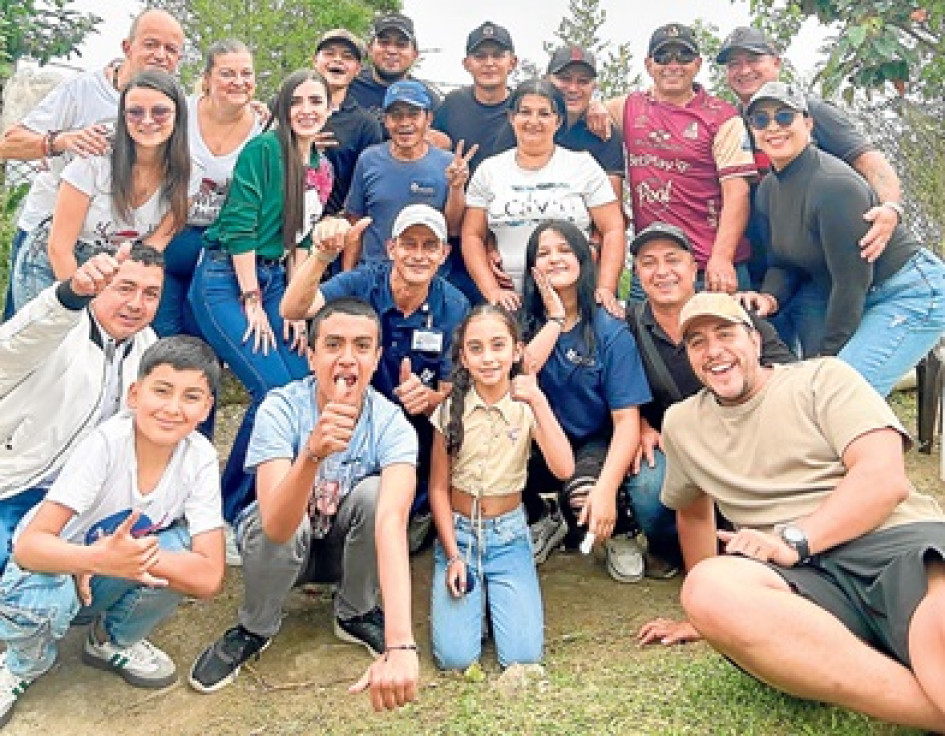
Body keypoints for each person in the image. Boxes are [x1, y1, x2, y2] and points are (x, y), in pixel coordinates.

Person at [639, 290, 945, 730]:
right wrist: (703, 619)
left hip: (891, 543)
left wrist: (797, 539)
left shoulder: (822, 378)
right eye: (697, 342)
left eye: (725, 334)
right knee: (709, 589)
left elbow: (883, 478)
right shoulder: (682, 423)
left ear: (755, 340)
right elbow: (692, 511)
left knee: (938, 619)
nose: (713, 351)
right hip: (798, 580)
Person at [189, 299, 420, 712]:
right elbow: (276, 526)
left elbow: (391, 523)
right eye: (333, 345)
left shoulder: (391, 424)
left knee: (375, 494)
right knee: (278, 515)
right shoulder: (280, 408)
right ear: (311, 356)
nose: (347, 358)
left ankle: (356, 611)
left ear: (376, 357)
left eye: (362, 346)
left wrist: (401, 644)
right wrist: (311, 454)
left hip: (339, 550)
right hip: (281, 546)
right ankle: (255, 626)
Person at [0, 335, 224, 729]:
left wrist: (125, 559)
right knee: (37, 598)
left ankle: (110, 640)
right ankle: (22, 663)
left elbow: (209, 576)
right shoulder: (105, 445)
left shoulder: (200, 456)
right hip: (54, 572)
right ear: (135, 394)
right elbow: (29, 548)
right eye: (162, 390)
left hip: (107, 572)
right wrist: (94, 558)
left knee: (182, 548)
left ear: (206, 408)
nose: (173, 408)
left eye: (191, 397)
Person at [188, 69, 338, 522]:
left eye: (316, 101)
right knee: (273, 391)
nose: (307, 110)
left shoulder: (322, 167)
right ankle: (230, 508)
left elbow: (301, 240)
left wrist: (294, 308)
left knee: (305, 387)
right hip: (226, 277)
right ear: (282, 108)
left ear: (330, 106)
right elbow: (240, 226)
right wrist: (251, 300)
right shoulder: (263, 151)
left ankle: (266, 499)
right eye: (297, 101)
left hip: (276, 277)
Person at [281, 204, 468, 552]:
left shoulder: (454, 306)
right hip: (348, 407)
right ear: (391, 248)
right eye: (409, 244)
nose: (418, 255)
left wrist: (428, 401)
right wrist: (321, 257)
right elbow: (293, 309)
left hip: (409, 427)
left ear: (444, 254)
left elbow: (450, 395)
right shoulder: (362, 282)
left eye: (429, 246)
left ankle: (420, 508)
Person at [740, 82, 945, 396]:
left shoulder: (834, 185)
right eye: (761, 119)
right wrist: (769, 297)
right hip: (846, 292)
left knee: (840, 393)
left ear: (808, 124)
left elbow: (851, 283)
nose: (773, 127)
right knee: (813, 391)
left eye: (784, 117)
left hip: (908, 291)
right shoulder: (768, 190)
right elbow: (783, 262)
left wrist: (828, 358)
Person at [716, 26, 904, 353]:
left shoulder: (813, 112)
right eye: (734, 63)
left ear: (776, 62)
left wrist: (890, 209)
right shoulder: (733, 125)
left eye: (753, 59)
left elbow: (872, 163)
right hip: (780, 269)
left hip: (837, 269)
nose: (744, 70)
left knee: (835, 361)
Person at [624, 222, 796, 576]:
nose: (662, 272)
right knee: (649, 486)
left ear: (693, 267)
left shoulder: (733, 314)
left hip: (743, 436)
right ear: (637, 274)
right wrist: (638, 423)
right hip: (674, 445)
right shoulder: (627, 326)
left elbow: (787, 377)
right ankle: (674, 553)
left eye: (673, 259)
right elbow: (611, 387)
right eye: (649, 263)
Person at [0, 8, 184, 321]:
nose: (160, 55)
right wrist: (61, 141)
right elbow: (8, 144)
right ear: (127, 47)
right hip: (52, 232)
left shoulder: (172, 108)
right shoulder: (81, 91)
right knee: (27, 332)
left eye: (171, 49)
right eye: (151, 44)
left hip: (112, 247)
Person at [0, 243, 163, 573]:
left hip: (84, 498)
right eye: (125, 288)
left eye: (150, 294)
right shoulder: (57, 325)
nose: (136, 304)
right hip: (17, 486)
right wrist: (70, 295)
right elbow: (14, 345)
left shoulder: (150, 348)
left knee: (156, 555)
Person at [429, 304, 573, 670]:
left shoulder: (527, 406)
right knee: (456, 658)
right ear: (463, 357)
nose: (489, 358)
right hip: (460, 536)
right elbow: (438, 489)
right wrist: (454, 556)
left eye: (498, 345)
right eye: (476, 349)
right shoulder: (450, 409)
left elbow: (564, 467)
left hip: (508, 537)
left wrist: (538, 399)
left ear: (517, 350)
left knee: (523, 656)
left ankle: (496, 601)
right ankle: (475, 601)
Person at [520, 221, 653, 582]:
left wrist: (606, 489)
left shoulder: (609, 328)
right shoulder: (521, 323)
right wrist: (555, 320)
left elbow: (626, 421)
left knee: (585, 495)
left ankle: (619, 527)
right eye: (543, 253)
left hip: (593, 441)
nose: (554, 259)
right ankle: (542, 517)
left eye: (564, 250)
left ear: (584, 259)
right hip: (538, 438)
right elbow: (516, 377)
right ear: (532, 267)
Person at [590, 23, 757, 295]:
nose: (673, 65)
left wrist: (722, 257)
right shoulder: (629, 107)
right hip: (652, 269)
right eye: (663, 57)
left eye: (683, 56)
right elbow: (580, 110)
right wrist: (594, 107)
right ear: (648, 65)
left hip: (708, 269)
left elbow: (737, 193)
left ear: (698, 64)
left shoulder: (722, 117)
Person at [463, 79, 625, 317]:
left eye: (544, 114)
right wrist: (492, 290)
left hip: (576, 301)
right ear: (512, 118)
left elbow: (613, 228)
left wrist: (606, 288)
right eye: (525, 112)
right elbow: (472, 235)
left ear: (557, 121)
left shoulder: (583, 166)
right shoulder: (489, 171)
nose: (534, 121)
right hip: (513, 303)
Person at [153, 39, 264, 338]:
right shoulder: (179, 114)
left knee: (200, 335)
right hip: (167, 233)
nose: (238, 82)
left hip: (217, 245)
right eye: (227, 74)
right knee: (161, 332)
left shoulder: (264, 129)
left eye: (246, 73)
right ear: (206, 79)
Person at [431, 20, 519, 303]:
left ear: (513, 62)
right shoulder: (451, 105)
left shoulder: (525, 108)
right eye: (480, 56)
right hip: (456, 234)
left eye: (498, 55)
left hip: (507, 235)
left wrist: (596, 106)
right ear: (466, 63)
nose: (489, 63)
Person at [343, 80, 469, 267]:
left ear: (428, 119)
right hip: (375, 272)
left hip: (426, 271)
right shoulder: (368, 159)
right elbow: (355, 223)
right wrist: (347, 274)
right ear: (386, 120)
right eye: (396, 115)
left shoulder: (448, 164)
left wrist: (457, 187)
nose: (404, 123)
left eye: (413, 114)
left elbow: (453, 229)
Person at [313, 29, 384, 218]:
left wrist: (338, 221)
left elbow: (366, 187)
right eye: (329, 53)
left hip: (333, 226)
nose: (337, 60)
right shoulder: (286, 107)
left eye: (347, 56)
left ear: (358, 69)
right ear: (315, 60)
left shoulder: (365, 125)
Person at [545, 45, 625, 202]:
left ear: (594, 86)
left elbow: (612, 205)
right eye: (565, 79)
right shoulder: (526, 125)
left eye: (583, 81)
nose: (573, 88)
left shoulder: (603, 132)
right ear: (546, 80)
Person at [348, 13, 442, 126]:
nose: (392, 51)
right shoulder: (348, 86)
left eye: (401, 45)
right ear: (370, 49)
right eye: (384, 43)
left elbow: (441, 135)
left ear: (415, 54)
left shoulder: (428, 98)